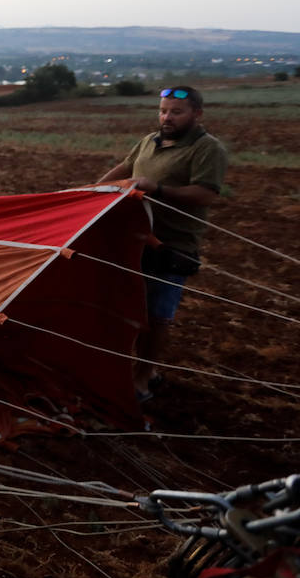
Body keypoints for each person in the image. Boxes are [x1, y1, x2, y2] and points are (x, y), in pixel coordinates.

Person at [98, 86, 228, 401]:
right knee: (128, 307)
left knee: (157, 315)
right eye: (163, 110)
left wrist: (158, 189)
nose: (167, 117)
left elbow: (206, 194)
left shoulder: (207, 148)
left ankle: (142, 378)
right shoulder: (148, 141)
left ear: (197, 114)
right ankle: (139, 371)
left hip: (172, 245)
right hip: (133, 239)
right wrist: (88, 193)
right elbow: (122, 172)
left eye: (176, 112)